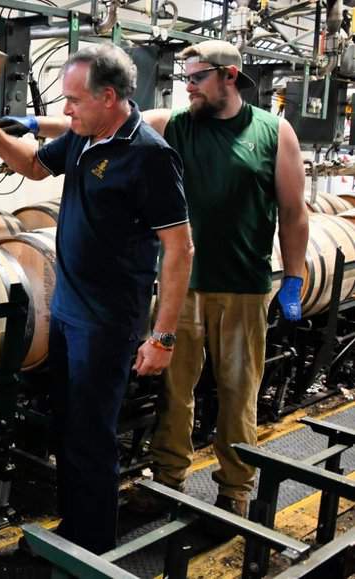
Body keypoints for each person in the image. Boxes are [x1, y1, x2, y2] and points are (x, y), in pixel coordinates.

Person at [0, 43, 193, 554]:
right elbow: (34, 167)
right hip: (68, 312)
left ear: (108, 97)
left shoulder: (150, 156)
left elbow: (180, 249)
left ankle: (91, 548)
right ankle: (75, 530)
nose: (64, 112)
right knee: (68, 428)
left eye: (73, 101)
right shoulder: (85, 138)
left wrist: (163, 336)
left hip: (108, 324)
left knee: (91, 436)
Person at [125, 40, 308, 518]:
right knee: (174, 391)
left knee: (238, 393)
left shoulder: (274, 132)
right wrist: (45, 126)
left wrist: (294, 277)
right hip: (180, 287)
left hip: (244, 286)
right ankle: (167, 477)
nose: (187, 86)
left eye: (196, 77)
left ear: (229, 76)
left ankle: (235, 489)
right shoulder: (175, 125)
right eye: (184, 77)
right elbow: (118, 124)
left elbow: (292, 212)